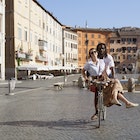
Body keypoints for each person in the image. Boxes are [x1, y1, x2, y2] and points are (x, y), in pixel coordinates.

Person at [82, 47, 139, 120]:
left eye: (95, 52)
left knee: (115, 82)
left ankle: (117, 99)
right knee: (99, 90)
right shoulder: (89, 63)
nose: (94, 53)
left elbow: (105, 71)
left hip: (103, 79)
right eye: (92, 52)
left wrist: (106, 76)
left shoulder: (102, 61)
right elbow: (83, 71)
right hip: (94, 81)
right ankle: (124, 102)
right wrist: (86, 78)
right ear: (90, 55)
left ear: (97, 53)